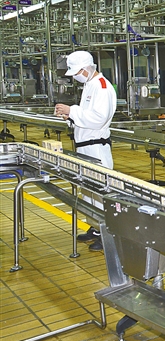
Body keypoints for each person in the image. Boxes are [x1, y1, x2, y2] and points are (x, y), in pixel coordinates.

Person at [54, 50, 117, 252]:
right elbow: (87, 116)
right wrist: (70, 117)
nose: (76, 77)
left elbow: (99, 118)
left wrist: (72, 110)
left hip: (96, 147)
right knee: (88, 191)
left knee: (100, 192)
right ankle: (96, 227)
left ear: (87, 68)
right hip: (85, 147)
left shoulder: (102, 86)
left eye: (77, 73)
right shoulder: (90, 85)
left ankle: (108, 233)